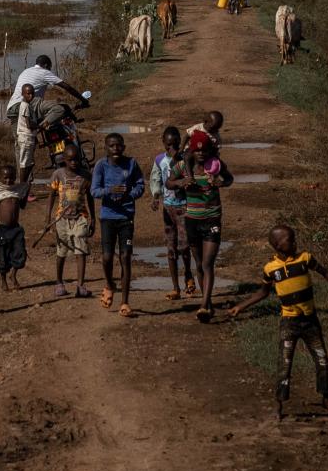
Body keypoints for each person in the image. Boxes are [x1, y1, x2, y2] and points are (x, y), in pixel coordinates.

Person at [228, 224, 328, 420]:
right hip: (289, 323)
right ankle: (278, 405)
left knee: (322, 360)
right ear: (278, 245)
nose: (294, 242)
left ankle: (327, 399)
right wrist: (241, 306)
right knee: (285, 363)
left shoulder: (305, 259)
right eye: (290, 240)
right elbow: (263, 293)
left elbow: (325, 273)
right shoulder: (270, 270)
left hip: (310, 321)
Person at [89, 132, 144, 315]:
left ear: (124, 147)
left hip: (126, 216)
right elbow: (94, 191)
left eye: (118, 145)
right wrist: (109, 191)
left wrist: (130, 194)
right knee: (106, 257)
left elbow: (140, 185)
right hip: (107, 216)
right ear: (106, 148)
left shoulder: (131, 163)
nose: (115, 149)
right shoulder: (101, 166)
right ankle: (110, 284)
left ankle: (125, 302)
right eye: (111, 146)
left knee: (126, 257)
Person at [177, 146, 232, 322]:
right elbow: (169, 182)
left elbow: (229, 178)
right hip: (192, 220)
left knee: (208, 263)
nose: (201, 153)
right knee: (199, 264)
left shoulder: (216, 164)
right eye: (197, 150)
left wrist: (221, 182)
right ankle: (207, 304)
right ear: (191, 151)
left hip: (212, 218)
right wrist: (182, 182)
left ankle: (204, 305)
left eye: (204, 150)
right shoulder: (183, 167)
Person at [149, 124, 196, 301]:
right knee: (171, 248)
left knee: (184, 246)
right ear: (163, 142)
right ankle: (175, 287)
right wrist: (155, 197)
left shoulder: (185, 159)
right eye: (168, 144)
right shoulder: (160, 159)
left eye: (175, 143)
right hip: (168, 207)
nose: (172, 147)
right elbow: (155, 179)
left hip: (184, 206)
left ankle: (189, 276)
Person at [46, 148, 95, 299]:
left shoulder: (86, 175)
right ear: (64, 161)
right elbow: (51, 195)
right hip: (61, 219)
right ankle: (59, 282)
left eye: (76, 159)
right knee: (61, 252)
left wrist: (93, 218)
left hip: (81, 217)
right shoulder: (58, 174)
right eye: (70, 160)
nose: (73, 162)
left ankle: (80, 286)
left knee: (81, 251)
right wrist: (48, 218)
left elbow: (90, 197)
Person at [0, 172, 32, 292]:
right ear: (1, 179)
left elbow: (23, 205)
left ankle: (13, 274)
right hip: (3, 230)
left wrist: (28, 188)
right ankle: (3, 281)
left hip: (16, 229)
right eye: (6, 178)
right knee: (3, 257)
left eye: (11, 178)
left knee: (20, 254)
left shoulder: (17, 192)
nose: (8, 180)